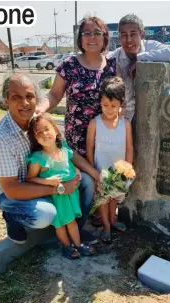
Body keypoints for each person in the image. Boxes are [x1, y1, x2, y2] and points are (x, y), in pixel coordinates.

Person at [0, 73, 99, 244]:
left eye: (29, 96)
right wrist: (60, 189)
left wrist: (96, 174)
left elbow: (67, 151)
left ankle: (75, 228)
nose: (24, 103)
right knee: (45, 214)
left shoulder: (39, 123)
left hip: (45, 181)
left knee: (87, 182)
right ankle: (12, 218)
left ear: (36, 98)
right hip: (12, 194)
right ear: (5, 100)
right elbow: (12, 189)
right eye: (16, 97)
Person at [35, 16, 117, 234]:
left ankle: (99, 216)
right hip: (76, 139)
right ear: (80, 38)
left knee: (105, 181)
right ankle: (76, 225)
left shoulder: (112, 66)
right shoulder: (69, 65)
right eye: (87, 33)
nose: (92, 37)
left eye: (97, 33)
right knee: (88, 181)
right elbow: (53, 95)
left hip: (104, 138)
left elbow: (119, 97)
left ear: (105, 38)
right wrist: (41, 109)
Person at [27, 114, 94, 259]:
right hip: (57, 197)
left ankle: (77, 244)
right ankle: (67, 246)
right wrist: (47, 181)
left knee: (72, 222)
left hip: (71, 195)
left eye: (47, 129)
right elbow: (30, 178)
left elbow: (70, 162)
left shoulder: (63, 149)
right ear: (36, 139)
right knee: (62, 225)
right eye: (39, 133)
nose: (44, 134)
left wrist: (75, 170)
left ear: (56, 130)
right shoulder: (38, 158)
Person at [86, 77, 134, 243]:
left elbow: (129, 148)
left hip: (118, 172)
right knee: (103, 199)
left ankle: (112, 220)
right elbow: (89, 149)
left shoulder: (125, 124)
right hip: (101, 172)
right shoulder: (94, 123)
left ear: (121, 103)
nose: (109, 109)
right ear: (100, 102)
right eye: (105, 105)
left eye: (113, 106)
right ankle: (106, 225)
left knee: (114, 197)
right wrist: (93, 172)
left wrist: (127, 169)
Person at [107, 14, 170, 121]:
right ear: (119, 38)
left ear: (142, 35)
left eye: (133, 34)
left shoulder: (151, 46)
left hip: (153, 114)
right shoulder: (114, 58)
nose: (129, 40)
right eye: (124, 35)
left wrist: (139, 58)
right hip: (123, 118)